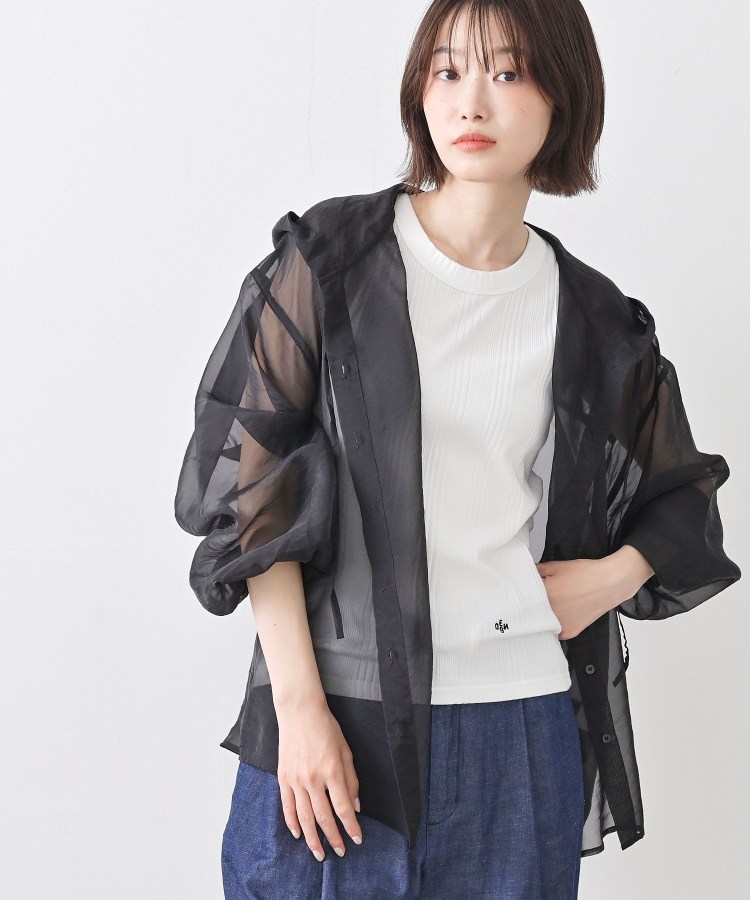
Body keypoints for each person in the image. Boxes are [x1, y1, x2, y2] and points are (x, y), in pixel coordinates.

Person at [173, 1, 741, 898]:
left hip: (521, 730)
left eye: (507, 73)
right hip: (339, 720)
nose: (471, 101)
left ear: (563, 98)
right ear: (420, 92)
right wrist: (300, 708)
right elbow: (256, 496)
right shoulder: (330, 262)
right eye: (447, 71)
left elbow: (685, 497)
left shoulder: (594, 317)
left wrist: (608, 579)